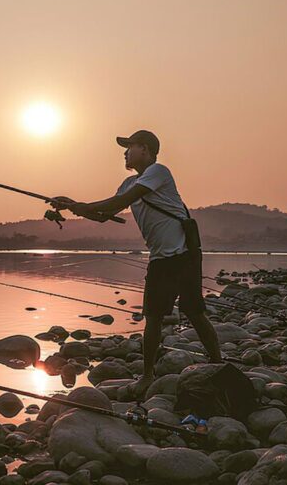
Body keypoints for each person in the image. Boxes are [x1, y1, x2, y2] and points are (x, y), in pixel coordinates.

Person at [52, 130, 222, 398]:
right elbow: (103, 215)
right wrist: (73, 205)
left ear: (145, 149)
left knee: (194, 311)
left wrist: (85, 206)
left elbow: (123, 201)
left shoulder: (158, 172)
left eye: (129, 147)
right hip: (159, 259)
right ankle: (147, 375)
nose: (124, 152)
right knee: (152, 318)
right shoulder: (128, 182)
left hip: (183, 255)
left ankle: (217, 363)